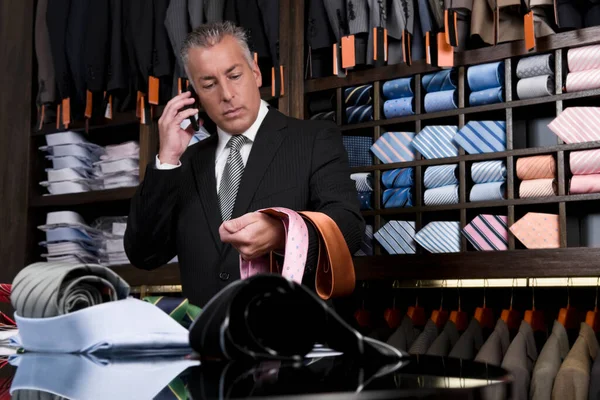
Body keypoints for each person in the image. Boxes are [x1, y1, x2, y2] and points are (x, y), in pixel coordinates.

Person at [124, 21, 364, 307]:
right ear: (195, 93)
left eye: (234, 75)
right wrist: (167, 159)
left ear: (256, 70)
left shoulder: (312, 139)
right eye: (209, 84)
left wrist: (282, 234)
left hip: (289, 342)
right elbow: (144, 255)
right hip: (207, 343)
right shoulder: (183, 164)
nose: (226, 95)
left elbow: (349, 227)